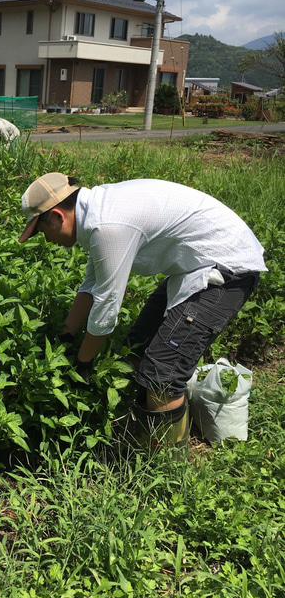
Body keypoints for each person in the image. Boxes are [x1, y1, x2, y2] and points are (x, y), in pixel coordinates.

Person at [18, 172, 266, 448]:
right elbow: (92, 284)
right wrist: (65, 336)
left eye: (41, 231)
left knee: (163, 371)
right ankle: (148, 424)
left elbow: (107, 306)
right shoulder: (98, 212)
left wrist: (84, 361)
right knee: (137, 346)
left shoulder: (108, 224)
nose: (45, 239)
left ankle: (165, 460)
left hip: (227, 267)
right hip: (193, 264)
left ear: (56, 216)